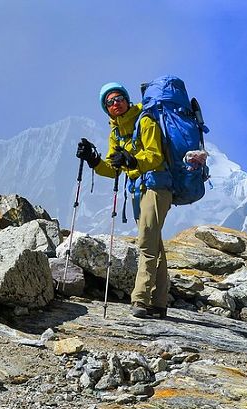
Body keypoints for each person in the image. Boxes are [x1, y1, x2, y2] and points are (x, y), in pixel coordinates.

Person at [76, 82, 171, 319]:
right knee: (154, 243)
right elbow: (113, 168)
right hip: (139, 191)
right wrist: (94, 160)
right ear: (106, 109)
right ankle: (159, 303)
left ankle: (140, 299)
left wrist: (132, 160)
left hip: (157, 186)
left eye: (118, 98)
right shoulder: (116, 132)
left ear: (127, 100)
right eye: (109, 102)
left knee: (146, 243)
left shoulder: (145, 121)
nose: (115, 103)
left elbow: (155, 155)